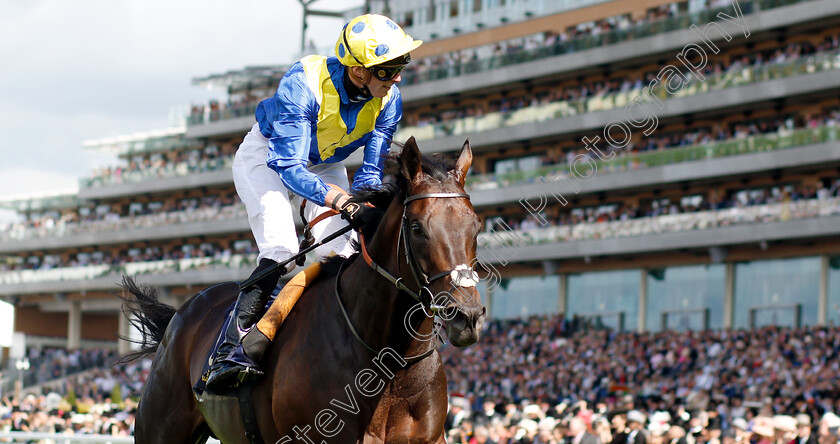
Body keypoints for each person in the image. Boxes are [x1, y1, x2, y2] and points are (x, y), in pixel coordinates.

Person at [204, 13, 422, 391]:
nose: (398, 77)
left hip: (325, 164)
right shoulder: (303, 82)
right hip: (268, 157)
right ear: (358, 71)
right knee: (282, 247)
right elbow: (288, 166)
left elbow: (369, 174)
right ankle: (228, 350)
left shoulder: (389, 101)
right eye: (388, 70)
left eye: (401, 66)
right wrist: (339, 199)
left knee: (344, 251)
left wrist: (365, 205)